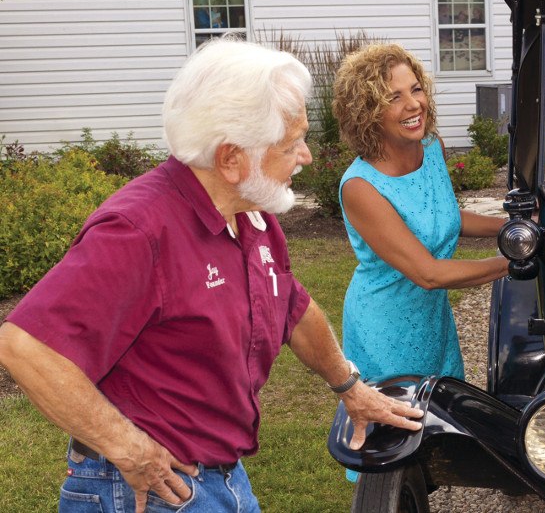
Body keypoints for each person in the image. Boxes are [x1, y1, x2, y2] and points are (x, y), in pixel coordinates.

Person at [0, 37, 424, 513]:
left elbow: (292, 306)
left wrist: (351, 388)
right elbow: (24, 345)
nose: (305, 156)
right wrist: (129, 449)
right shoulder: (139, 230)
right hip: (145, 489)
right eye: (291, 144)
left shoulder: (249, 215)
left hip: (220, 479)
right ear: (230, 158)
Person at [332, 43, 508, 393]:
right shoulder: (360, 187)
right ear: (367, 111)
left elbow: (443, 216)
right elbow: (428, 273)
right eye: (393, 97)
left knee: (444, 423)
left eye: (416, 89)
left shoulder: (432, 149)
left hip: (432, 321)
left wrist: (514, 228)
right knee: (399, 433)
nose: (414, 105)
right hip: (384, 329)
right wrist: (515, 260)